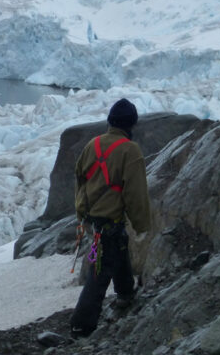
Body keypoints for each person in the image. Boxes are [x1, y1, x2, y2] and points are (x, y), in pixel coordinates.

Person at [70, 98, 151, 338]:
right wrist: (142, 224)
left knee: (117, 251)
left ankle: (126, 294)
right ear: (131, 125)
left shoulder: (92, 145)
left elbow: (80, 178)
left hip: (96, 222)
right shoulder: (130, 150)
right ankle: (81, 325)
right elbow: (135, 192)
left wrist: (81, 211)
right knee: (99, 274)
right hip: (111, 222)